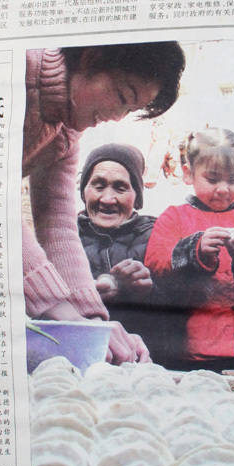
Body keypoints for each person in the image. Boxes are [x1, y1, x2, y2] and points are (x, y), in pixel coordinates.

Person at [22, 42, 186, 364]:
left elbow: (56, 220)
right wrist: (58, 307)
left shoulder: (66, 132)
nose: (116, 117)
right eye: (122, 96)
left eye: (130, 110)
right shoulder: (18, 72)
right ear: (91, 58)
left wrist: (93, 322)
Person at [144, 127, 234, 371]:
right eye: (212, 179)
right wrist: (195, 251)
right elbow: (155, 264)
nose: (223, 189)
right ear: (188, 174)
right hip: (192, 347)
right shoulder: (174, 217)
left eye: (233, 180)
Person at [78, 143, 167, 365]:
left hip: (143, 363)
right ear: (84, 191)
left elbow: (180, 316)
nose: (107, 199)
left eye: (120, 188)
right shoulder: (62, 238)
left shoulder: (159, 236)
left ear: (137, 197)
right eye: (98, 186)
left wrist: (147, 292)